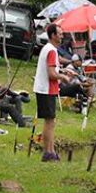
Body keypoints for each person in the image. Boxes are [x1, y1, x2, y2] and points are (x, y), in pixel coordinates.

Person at [33, 23, 71, 162]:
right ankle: (47, 153)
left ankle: (51, 151)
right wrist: (63, 77)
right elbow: (51, 74)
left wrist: (61, 71)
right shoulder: (51, 50)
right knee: (49, 122)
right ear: (53, 35)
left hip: (45, 89)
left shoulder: (48, 49)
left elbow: (52, 69)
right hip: (46, 89)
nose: (62, 36)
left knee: (51, 121)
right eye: (60, 34)